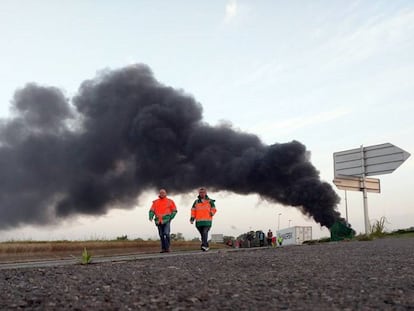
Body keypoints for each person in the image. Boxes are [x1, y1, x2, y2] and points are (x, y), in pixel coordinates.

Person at [149, 189, 177, 253]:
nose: (162, 194)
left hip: (166, 220)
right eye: (161, 193)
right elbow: (151, 210)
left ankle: (168, 247)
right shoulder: (155, 202)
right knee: (161, 235)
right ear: (159, 194)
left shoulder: (170, 201)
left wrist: (171, 217)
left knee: (166, 233)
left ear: (166, 194)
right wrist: (150, 216)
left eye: (163, 193)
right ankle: (163, 248)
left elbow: (174, 210)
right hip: (158, 221)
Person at [190, 187, 216, 251]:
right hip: (199, 222)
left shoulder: (210, 201)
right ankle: (205, 245)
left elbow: (214, 208)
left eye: (203, 192)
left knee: (204, 233)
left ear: (205, 193)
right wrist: (192, 218)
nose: (202, 194)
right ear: (199, 193)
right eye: (200, 192)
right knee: (202, 235)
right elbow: (193, 210)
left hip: (207, 221)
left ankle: (204, 246)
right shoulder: (196, 202)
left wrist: (212, 213)